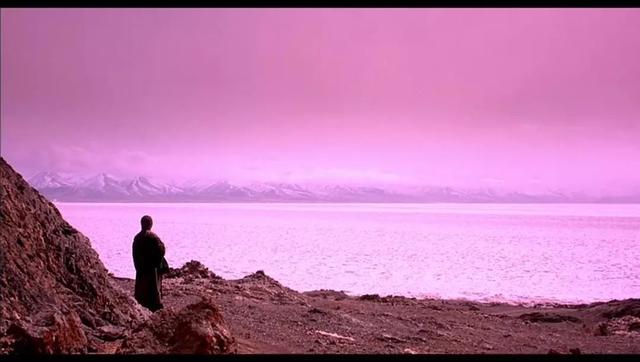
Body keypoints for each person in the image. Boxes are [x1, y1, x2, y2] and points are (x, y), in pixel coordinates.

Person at [132, 215, 166, 312]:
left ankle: (141, 304)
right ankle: (155, 307)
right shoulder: (153, 237)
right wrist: (156, 261)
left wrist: (138, 265)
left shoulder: (137, 237)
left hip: (141, 268)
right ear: (150, 224)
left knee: (141, 290)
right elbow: (161, 250)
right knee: (154, 289)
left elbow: (134, 253)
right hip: (152, 269)